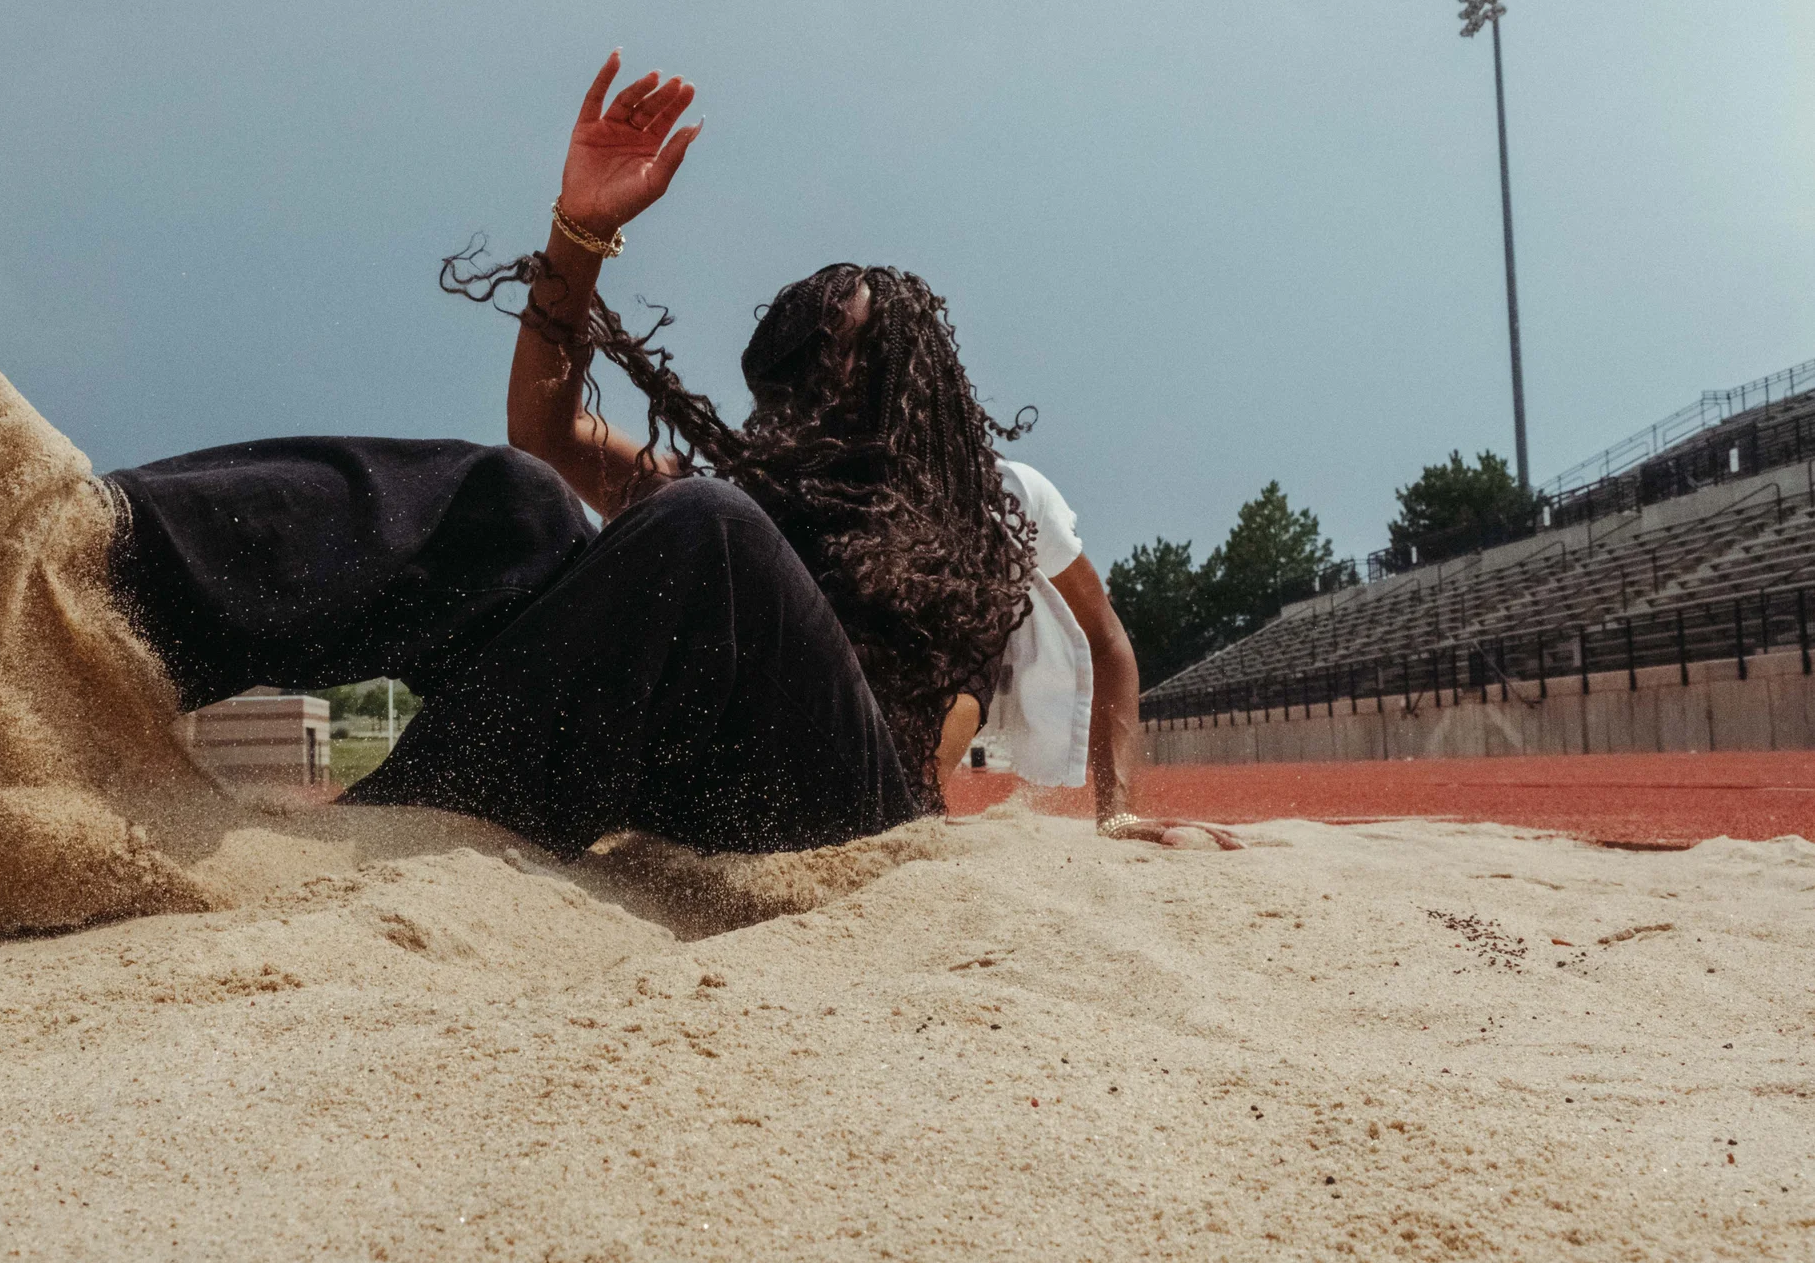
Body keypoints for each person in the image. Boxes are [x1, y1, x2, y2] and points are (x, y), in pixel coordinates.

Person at [103, 51, 1236, 855]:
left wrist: (1119, 807)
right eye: (792, 372)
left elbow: (1110, 642)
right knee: (516, 499)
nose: (810, 394)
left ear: (910, 381)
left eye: (839, 362)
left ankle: (423, 804)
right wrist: (576, 238)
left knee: (707, 526)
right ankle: (105, 565)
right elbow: (544, 438)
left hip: (850, 805)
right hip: (686, 775)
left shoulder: (1001, 503)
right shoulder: (759, 498)